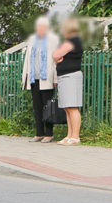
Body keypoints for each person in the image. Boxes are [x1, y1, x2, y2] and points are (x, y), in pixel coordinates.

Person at [22, 16, 59, 143]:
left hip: (47, 78)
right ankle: (39, 133)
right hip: (34, 78)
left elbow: (55, 60)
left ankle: (49, 133)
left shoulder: (52, 39)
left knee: (47, 106)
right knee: (37, 106)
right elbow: (27, 59)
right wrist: (26, 77)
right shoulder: (32, 39)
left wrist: (55, 78)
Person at [53, 17, 83, 146]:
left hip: (70, 76)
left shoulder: (72, 41)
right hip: (65, 76)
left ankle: (75, 136)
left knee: (72, 107)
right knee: (67, 107)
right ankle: (69, 135)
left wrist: (57, 58)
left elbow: (55, 55)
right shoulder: (70, 41)